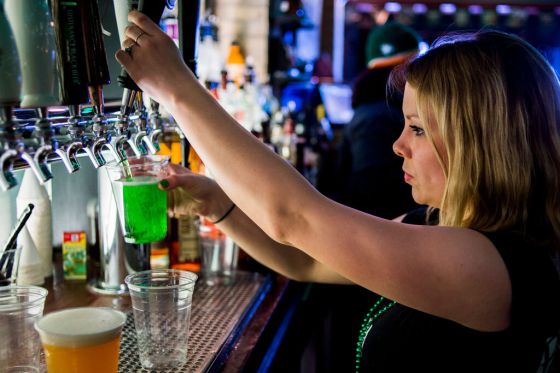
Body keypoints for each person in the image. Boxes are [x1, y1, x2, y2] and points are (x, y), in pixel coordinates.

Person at [117, 12, 560, 372]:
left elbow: (295, 217)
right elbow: (306, 259)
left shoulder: (494, 265)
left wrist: (178, 89)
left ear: (481, 142)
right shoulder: (440, 225)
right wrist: (219, 205)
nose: (397, 144)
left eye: (419, 129)